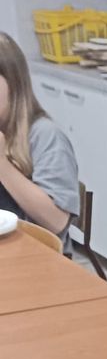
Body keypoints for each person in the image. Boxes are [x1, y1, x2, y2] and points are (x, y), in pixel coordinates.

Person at [0, 32, 80, 253]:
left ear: (14, 83)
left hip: (38, 257)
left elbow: (56, 222)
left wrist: (2, 164)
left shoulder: (45, 135)